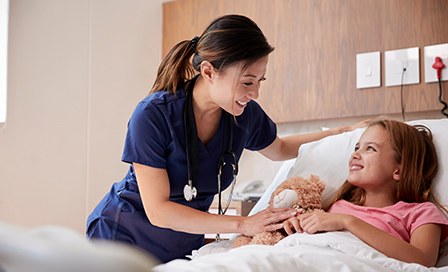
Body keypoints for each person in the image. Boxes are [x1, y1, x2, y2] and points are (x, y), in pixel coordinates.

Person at [86, 14, 369, 263]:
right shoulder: (152, 115)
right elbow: (159, 211)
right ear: (208, 71)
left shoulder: (244, 115)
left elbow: (279, 148)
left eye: (260, 81)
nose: (255, 93)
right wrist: (244, 224)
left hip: (182, 245)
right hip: (123, 238)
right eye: (248, 82)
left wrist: (340, 133)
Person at [283, 119, 448, 267]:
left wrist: (348, 222)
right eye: (356, 147)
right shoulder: (338, 205)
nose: (355, 154)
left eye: (370, 148)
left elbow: (423, 261)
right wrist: (296, 226)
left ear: (398, 170)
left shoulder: (421, 213)